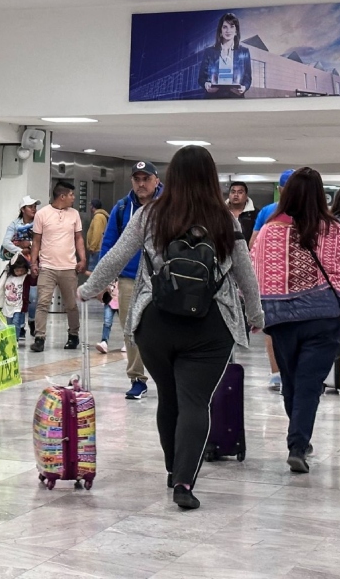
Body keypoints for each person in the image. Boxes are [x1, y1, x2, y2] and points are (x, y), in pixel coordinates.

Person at [79, 145, 263, 510]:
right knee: (196, 402)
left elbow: (115, 256)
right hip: (211, 325)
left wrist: (88, 289)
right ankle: (183, 481)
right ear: (211, 178)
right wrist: (255, 316)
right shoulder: (225, 220)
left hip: (156, 323)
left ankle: (171, 467)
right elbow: (245, 274)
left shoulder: (150, 214)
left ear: (172, 177)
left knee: (170, 397)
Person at [253, 167, 340, 474]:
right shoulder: (331, 228)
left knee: (291, 381)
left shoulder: (270, 230)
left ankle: (299, 438)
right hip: (323, 316)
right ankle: (298, 444)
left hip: (281, 319)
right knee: (309, 384)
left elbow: (256, 269)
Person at [101, 161, 161, 399]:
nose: (141, 184)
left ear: (156, 180)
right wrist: (104, 279)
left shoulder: (169, 206)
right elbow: (109, 244)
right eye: (137, 179)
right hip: (129, 279)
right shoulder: (123, 207)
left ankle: (169, 377)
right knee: (131, 329)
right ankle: (137, 378)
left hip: (161, 279)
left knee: (162, 328)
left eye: (146, 179)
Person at [251, 168, 295, 392]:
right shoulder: (312, 213)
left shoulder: (268, 212)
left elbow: (253, 245)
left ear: (279, 190)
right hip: (300, 281)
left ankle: (277, 373)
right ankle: (290, 372)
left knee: (273, 329)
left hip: (272, 281)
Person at [29, 182, 86, 352]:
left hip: (69, 267)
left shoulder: (74, 214)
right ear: (62, 196)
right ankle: (39, 338)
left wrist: (82, 259)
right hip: (47, 267)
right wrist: (34, 262)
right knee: (43, 303)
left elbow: (78, 238)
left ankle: (73, 336)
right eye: (71, 195)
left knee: (71, 305)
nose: (73, 198)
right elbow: (36, 241)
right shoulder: (42, 214)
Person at [2, 196, 40, 337]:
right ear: (23, 209)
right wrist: (20, 250)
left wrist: (28, 245)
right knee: (18, 295)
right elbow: (6, 242)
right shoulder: (14, 224)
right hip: (19, 266)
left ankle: (31, 320)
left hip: (35, 263)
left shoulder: (38, 223)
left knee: (33, 296)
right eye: (31, 206)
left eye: (35, 206)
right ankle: (21, 326)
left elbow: (43, 241)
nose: (34, 209)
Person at [199, 13, 252, 98]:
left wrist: (244, 87)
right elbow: (201, 78)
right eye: (225, 27)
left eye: (232, 26)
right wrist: (206, 85)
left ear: (236, 31)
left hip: (235, 100)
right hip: (213, 99)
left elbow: (247, 78)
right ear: (220, 31)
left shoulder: (244, 52)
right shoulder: (209, 52)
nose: (228, 30)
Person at [0, 254, 31, 331]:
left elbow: (32, 276)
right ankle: (12, 339)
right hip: (7, 306)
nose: (20, 272)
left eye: (22, 270)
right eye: (17, 270)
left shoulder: (26, 277)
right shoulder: (7, 277)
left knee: (16, 323)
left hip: (18, 306)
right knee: (9, 325)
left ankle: (15, 340)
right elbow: (0, 287)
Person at [95, 280, 119, 354]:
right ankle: (104, 342)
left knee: (125, 322)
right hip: (109, 300)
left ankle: (127, 342)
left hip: (122, 300)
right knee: (107, 322)